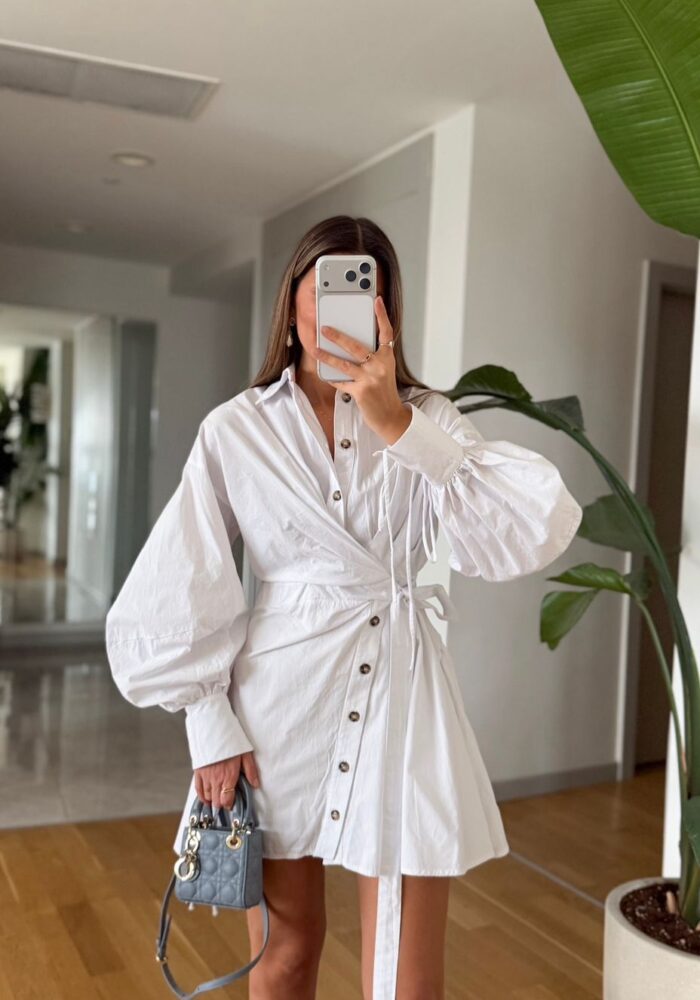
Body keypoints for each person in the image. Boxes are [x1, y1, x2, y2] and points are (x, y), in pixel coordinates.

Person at [105, 214, 583, 1000]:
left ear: (386, 311)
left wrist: (398, 424)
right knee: (286, 958)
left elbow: (533, 527)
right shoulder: (236, 429)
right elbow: (177, 578)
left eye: (364, 290)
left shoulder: (429, 418)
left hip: (404, 698)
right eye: (326, 285)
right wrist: (208, 723)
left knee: (406, 980)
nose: (341, 306)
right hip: (278, 710)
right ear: (291, 299)